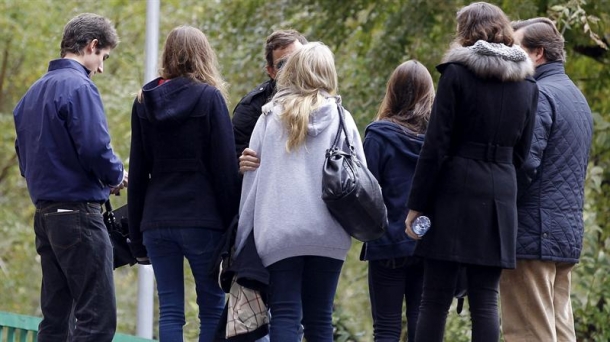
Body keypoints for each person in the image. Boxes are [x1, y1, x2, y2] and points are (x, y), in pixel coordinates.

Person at [403, 3, 539, 341]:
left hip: (454, 193)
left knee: (434, 297)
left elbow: (435, 146)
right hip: (500, 195)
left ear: (466, 32)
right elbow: (523, 154)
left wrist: (417, 204)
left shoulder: (456, 74)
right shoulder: (527, 85)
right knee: (485, 299)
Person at [234, 42, 363, 342]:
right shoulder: (342, 118)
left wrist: (243, 236)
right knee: (320, 317)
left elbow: (252, 184)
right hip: (329, 232)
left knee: (285, 313)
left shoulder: (269, 117)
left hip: (280, 233)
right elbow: (359, 176)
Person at [12, 13, 126, 342]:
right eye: (103, 57)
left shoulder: (30, 96)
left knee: (56, 319)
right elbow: (95, 149)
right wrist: (116, 174)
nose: (101, 67)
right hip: (78, 215)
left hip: (46, 217)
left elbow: (25, 160)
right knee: (97, 318)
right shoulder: (79, 87)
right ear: (91, 46)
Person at [127, 26, 240, 342]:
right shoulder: (210, 98)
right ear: (204, 55)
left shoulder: (142, 103)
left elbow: (137, 173)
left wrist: (137, 238)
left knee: (171, 311)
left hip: (156, 222)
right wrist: (235, 227)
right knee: (212, 308)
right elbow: (224, 170)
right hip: (202, 221)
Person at [499, 18, 593, 342]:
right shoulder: (577, 99)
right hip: (564, 235)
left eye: (514, 49)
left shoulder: (538, 93)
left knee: (527, 332)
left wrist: (500, 204)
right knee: (560, 330)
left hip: (533, 233)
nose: (508, 56)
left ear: (537, 53)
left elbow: (526, 164)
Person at [361, 60, 434, 341]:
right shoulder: (438, 139)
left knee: (387, 328)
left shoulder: (378, 135)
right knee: (421, 321)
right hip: (427, 240)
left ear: (392, 92)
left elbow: (366, 191)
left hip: (386, 244)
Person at [233, 29, 307, 171]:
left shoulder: (326, 101)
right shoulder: (252, 107)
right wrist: (241, 163)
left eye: (298, 60)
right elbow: (229, 161)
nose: (292, 69)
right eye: (283, 64)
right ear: (271, 71)